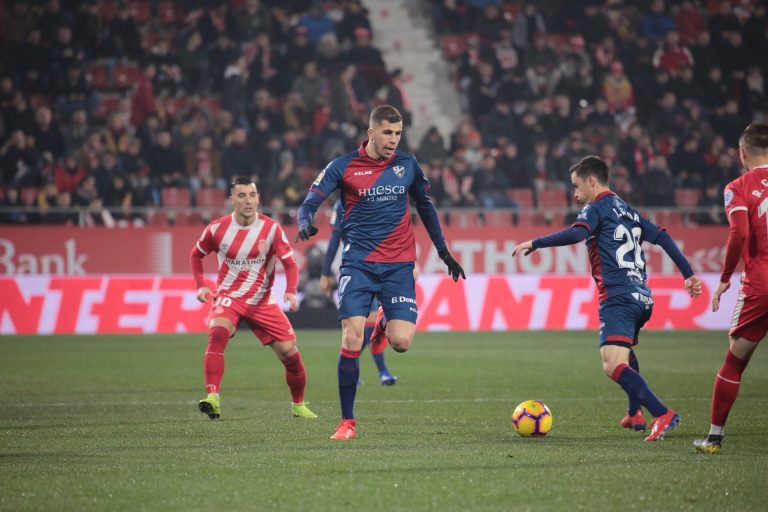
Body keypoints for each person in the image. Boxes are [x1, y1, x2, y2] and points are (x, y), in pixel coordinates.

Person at [295, 105, 465, 440]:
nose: (393, 140)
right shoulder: (343, 166)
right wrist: (305, 221)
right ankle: (347, 422)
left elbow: (426, 209)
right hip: (357, 264)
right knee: (351, 337)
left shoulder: (407, 165)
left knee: (401, 343)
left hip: (399, 265)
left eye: (398, 133)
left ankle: (385, 321)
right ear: (371, 133)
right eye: (387, 133)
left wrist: (444, 252)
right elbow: (309, 202)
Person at [512, 155, 702, 442]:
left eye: (577, 186)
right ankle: (635, 413)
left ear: (591, 181)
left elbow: (577, 234)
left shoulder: (596, 208)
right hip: (642, 297)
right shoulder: (628, 210)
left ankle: (662, 414)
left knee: (611, 363)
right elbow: (662, 237)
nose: (574, 194)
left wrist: (536, 242)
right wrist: (688, 274)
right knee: (624, 354)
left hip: (618, 296)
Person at [189, 176, 317, 421]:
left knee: (290, 353)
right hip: (229, 296)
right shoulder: (217, 229)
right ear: (232, 200)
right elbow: (196, 255)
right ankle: (213, 397)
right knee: (217, 334)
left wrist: (290, 290)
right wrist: (201, 285)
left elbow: (290, 263)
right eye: (242, 195)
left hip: (262, 301)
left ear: (258, 198)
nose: (248, 200)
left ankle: (298, 405)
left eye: (252, 195)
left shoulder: (271, 228)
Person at [694, 123, 768, 454]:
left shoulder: (737, 186)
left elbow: (738, 233)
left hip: (761, 284)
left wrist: (725, 278)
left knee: (735, 358)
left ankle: (714, 437)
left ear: (742, 153)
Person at [320, 199, 398, 386]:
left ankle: (351, 368)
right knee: (363, 327)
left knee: (366, 328)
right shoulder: (342, 204)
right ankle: (382, 373)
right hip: (356, 272)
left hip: (379, 268)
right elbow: (334, 241)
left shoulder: (379, 197)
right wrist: (324, 273)